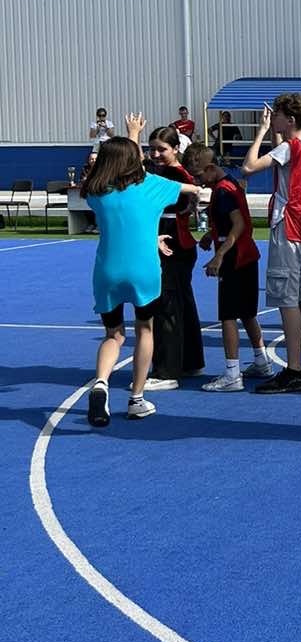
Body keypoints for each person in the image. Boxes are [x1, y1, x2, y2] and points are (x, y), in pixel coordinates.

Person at [81, 115, 202, 427]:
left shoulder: (95, 192)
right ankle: (136, 398)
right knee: (145, 329)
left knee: (114, 335)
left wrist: (132, 134)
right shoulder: (152, 186)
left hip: (107, 271)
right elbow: (193, 189)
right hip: (144, 270)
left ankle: (101, 383)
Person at [241, 92, 301, 394]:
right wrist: (275, 133)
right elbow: (282, 157)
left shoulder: (290, 147)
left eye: (278, 115)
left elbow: (249, 167)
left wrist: (261, 132)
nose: (273, 119)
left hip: (287, 227)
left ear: (289, 119)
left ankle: (294, 369)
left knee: (287, 300)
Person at [189, 146, 273, 390]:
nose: (197, 181)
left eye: (198, 175)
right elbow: (232, 222)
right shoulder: (231, 185)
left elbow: (238, 225)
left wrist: (219, 256)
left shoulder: (223, 191)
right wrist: (211, 235)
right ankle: (261, 361)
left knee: (227, 315)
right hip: (247, 255)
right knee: (247, 313)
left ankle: (232, 373)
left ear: (211, 168)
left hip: (235, 258)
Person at [144, 124, 206, 389]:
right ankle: (190, 361)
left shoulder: (172, 175)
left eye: (162, 149)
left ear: (176, 149)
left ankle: (167, 371)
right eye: (152, 149)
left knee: (166, 306)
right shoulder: (177, 173)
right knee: (182, 304)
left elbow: (139, 183)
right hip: (180, 242)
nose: (156, 154)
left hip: (171, 242)